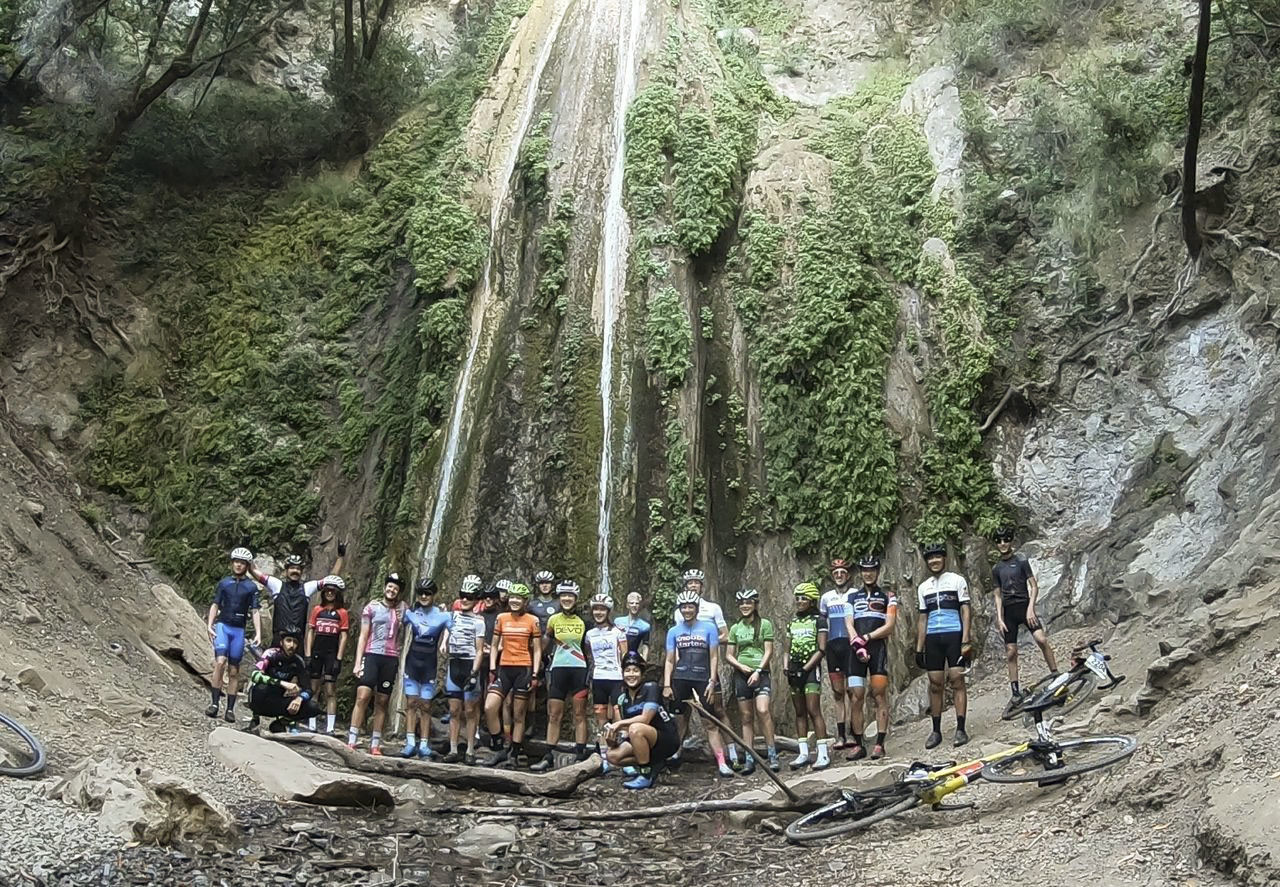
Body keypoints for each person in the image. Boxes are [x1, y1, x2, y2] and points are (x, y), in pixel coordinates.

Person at [663, 588, 733, 777]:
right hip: (680, 678)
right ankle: (675, 753)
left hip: (703, 679)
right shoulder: (674, 631)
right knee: (679, 720)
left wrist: (712, 681)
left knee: (710, 722)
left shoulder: (708, 628)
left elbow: (713, 657)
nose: (687, 610)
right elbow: (670, 659)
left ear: (696, 608)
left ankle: (721, 761)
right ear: (680, 609)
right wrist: (667, 684)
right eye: (684, 607)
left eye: (690, 607)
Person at [992, 527, 1058, 707]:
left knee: (1041, 639)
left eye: (1006, 539)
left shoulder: (1021, 561)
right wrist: (999, 618)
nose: (1003, 543)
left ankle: (1055, 674)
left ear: (1011, 541)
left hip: (1024, 607)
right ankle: (1015, 691)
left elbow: (1034, 586)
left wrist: (1031, 609)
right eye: (999, 541)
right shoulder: (996, 568)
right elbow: (997, 595)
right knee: (1011, 652)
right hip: (1009, 612)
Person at [915, 542, 972, 749]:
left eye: (937, 557)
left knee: (957, 680)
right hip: (933, 638)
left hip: (954, 635)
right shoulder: (923, 587)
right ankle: (936, 730)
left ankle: (961, 729)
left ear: (944, 558)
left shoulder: (957, 580)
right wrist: (919, 647)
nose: (934, 561)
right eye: (930, 558)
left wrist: (966, 638)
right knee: (935, 683)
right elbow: (922, 618)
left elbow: (965, 610)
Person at [531, 581, 591, 771]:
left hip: (579, 669)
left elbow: (588, 649)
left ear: (575, 599)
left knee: (579, 714)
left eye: (570, 596)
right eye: (563, 595)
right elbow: (546, 639)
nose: (566, 599)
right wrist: (539, 660)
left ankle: (581, 754)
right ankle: (549, 755)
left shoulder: (584, 621)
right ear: (559, 598)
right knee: (554, 714)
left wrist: (591, 671)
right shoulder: (553, 619)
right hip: (558, 669)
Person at [481, 583, 542, 767]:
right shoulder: (502, 617)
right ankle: (499, 747)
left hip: (523, 669)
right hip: (504, 668)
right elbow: (493, 645)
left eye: (519, 598)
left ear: (525, 601)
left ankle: (514, 753)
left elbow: (537, 650)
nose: (515, 601)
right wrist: (492, 668)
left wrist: (535, 673)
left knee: (518, 715)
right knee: (490, 707)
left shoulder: (533, 620)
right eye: (513, 597)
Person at [347, 572, 407, 755]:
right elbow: (363, 635)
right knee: (363, 696)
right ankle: (352, 739)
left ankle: (375, 743)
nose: (392, 590)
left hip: (390, 658)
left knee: (382, 701)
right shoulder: (371, 607)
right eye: (389, 586)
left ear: (399, 592)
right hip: (372, 655)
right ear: (384, 588)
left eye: (395, 588)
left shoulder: (403, 609)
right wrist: (358, 663)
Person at [845, 556, 897, 760]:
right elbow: (849, 623)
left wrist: (866, 637)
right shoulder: (852, 597)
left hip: (878, 650)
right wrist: (857, 643)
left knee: (879, 694)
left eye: (872, 570)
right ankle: (858, 745)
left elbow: (890, 626)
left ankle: (880, 744)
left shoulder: (888, 596)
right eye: (864, 570)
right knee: (856, 696)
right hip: (855, 651)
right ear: (860, 572)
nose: (868, 573)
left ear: (877, 571)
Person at [605, 652, 681, 789]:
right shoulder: (623, 698)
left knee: (636, 728)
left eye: (635, 671)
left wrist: (618, 724)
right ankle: (654, 763)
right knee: (612, 756)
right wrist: (612, 740)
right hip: (642, 739)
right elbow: (625, 731)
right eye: (627, 671)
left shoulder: (651, 688)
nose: (631, 674)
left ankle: (645, 775)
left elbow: (645, 719)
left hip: (666, 738)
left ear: (642, 673)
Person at [725, 588, 779, 773]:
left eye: (748, 603)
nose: (745, 606)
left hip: (761, 673)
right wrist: (740, 667)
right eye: (742, 603)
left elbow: (769, 651)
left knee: (763, 710)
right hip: (741, 674)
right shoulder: (735, 628)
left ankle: (772, 754)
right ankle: (750, 757)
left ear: (755, 604)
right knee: (746, 717)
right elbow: (729, 655)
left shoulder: (764, 624)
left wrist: (757, 670)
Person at [249, 543, 345, 647]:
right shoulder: (277, 585)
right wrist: (247, 559)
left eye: (298, 568)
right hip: (279, 640)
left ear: (302, 571)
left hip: (297, 641)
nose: (295, 571)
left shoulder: (307, 588)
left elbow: (331, 579)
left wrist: (340, 557)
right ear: (286, 570)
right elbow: (255, 572)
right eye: (292, 568)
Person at [207, 547, 263, 723]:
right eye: (236, 562)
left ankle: (230, 709)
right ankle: (214, 704)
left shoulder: (251, 587)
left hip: (238, 630)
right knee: (220, 662)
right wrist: (209, 625)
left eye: (243, 563)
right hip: (223, 625)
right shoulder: (224, 583)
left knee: (233, 670)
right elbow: (215, 604)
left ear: (247, 566)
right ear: (232, 563)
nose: (239, 565)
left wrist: (258, 632)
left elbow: (255, 611)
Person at [401, 578, 450, 758]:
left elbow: (452, 628)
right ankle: (410, 742)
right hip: (412, 663)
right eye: (420, 593)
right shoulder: (410, 613)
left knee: (427, 705)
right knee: (411, 702)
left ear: (433, 595)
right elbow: (396, 619)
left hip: (429, 665)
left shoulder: (443, 615)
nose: (423, 596)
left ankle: (424, 744)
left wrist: (445, 643)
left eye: (427, 593)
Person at [784, 582, 829, 769]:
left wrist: (806, 668)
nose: (800, 602)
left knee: (813, 710)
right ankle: (803, 752)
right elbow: (786, 648)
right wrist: (786, 667)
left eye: (804, 598)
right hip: (794, 668)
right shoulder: (792, 622)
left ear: (812, 601)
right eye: (798, 598)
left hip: (811, 670)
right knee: (800, 711)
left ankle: (823, 754)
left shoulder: (819, 620)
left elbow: (821, 649)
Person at [443, 575, 485, 764]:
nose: (466, 599)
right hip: (454, 664)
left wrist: (475, 672)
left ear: (476, 599)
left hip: (469, 665)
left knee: (470, 710)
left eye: (470, 596)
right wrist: (443, 643)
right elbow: (446, 631)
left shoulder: (479, 621)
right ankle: (453, 749)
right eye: (463, 596)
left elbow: (479, 650)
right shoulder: (453, 616)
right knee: (454, 710)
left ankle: (469, 750)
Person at [247, 629, 323, 731]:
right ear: (281, 642)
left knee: (313, 707)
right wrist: (282, 683)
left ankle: (281, 723)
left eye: (295, 642)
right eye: (288, 640)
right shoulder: (271, 654)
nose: (291, 645)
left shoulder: (298, 662)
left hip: (278, 701)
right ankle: (255, 718)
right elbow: (255, 675)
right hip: (261, 699)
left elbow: (308, 689)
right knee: (261, 688)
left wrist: (299, 699)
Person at [304, 575, 349, 734]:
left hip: (332, 652)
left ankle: (330, 727)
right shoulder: (317, 610)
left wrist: (339, 658)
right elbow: (310, 631)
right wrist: (308, 654)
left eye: (333, 591)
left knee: (331, 690)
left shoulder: (342, 613)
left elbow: (343, 636)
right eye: (327, 591)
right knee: (314, 688)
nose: (329, 593)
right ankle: (311, 723)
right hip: (317, 651)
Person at [819, 557, 855, 749]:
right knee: (837, 692)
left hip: (850, 646)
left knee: (852, 691)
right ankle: (840, 735)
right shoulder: (826, 598)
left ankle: (852, 732)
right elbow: (823, 625)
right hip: (833, 647)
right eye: (836, 574)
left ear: (848, 575)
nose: (839, 576)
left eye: (842, 573)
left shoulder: (855, 594)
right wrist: (822, 648)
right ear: (832, 576)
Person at [583, 593, 627, 736]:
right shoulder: (590, 634)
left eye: (602, 609)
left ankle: (621, 741)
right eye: (596, 609)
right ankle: (603, 746)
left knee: (617, 710)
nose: (599, 613)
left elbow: (625, 655)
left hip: (616, 677)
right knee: (599, 712)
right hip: (598, 677)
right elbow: (589, 655)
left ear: (608, 612)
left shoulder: (618, 632)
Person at [669, 569, 728, 642]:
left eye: (697, 583)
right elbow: (678, 636)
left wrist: (707, 642)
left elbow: (725, 636)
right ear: (685, 587)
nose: (693, 585)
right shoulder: (678, 612)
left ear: (701, 587)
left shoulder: (714, 607)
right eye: (690, 583)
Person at [616, 592, 651, 659]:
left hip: (633, 657)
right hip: (618, 657)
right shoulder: (618, 622)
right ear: (627, 605)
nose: (634, 605)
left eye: (637, 603)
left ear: (640, 606)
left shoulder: (645, 626)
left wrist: (644, 661)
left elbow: (645, 645)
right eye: (631, 603)